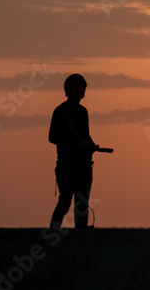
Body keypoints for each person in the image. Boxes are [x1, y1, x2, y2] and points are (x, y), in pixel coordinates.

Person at [49, 74, 99, 228]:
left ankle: (81, 236)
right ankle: (53, 231)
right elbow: (53, 137)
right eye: (77, 85)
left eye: (83, 86)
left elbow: (85, 134)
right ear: (67, 89)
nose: (81, 88)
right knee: (64, 202)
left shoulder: (83, 112)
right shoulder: (60, 111)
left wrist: (91, 145)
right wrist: (77, 144)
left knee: (82, 204)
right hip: (66, 166)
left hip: (83, 166)